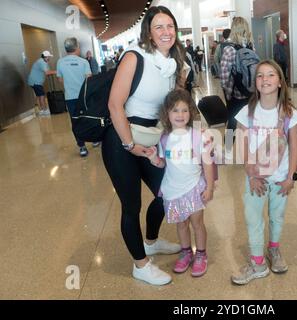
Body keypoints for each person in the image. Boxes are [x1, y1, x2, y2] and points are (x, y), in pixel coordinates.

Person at [102, 5, 185, 286]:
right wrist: (130, 145)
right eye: (159, 27)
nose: (166, 32)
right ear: (148, 33)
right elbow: (115, 105)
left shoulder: (175, 64)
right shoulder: (134, 58)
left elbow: (171, 110)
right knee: (131, 205)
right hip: (122, 141)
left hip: (152, 141)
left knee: (167, 193)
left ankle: (150, 241)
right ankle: (140, 264)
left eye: (170, 26)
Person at [231, 60, 297, 285]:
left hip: (280, 180)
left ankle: (274, 250)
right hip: (255, 180)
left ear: (280, 81)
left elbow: (295, 146)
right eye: (260, 76)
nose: (265, 79)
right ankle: (257, 262)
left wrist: (290, 177)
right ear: (255, 82)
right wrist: (251, 175)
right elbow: (240, 145)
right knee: (253, 220)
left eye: (271, 75)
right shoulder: (247, 112)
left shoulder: (289, 113)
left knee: (277, 218)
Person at [146, 89, 215, 277]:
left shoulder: (197, 136)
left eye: (184, 110)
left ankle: (201, 254)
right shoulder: (164, 138)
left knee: (197, 223)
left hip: (193, 189)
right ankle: (185, 252)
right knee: (181, 224)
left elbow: (207, 163)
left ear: (190, 113)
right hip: (172, 191)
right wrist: (153, 159)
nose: (180, 115)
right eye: (175, 110)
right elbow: (162, 164)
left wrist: (209, 187)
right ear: (167, 113)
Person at [220, 17, 254, 152]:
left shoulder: (229, 50)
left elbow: (224, 77)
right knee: (251, 122)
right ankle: (251, 150)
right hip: (251, 93)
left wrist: (228, 95)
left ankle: (227, 150)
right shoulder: (251, 47)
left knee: (232, 124)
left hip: (236, 95)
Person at [56, 38, 93, 157]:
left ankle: (82, 147)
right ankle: (95, 139)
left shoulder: (60, 62)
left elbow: (60, 79)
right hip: (84, 96)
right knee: (89, 117)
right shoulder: (84, 62)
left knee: (75, 121)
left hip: (70, 97)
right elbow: (89, 79)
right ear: (77, 47)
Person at [27, 50, 56, 116]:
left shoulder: (41, 61)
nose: (49, 58)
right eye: (49, 57)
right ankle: (44, 110)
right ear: (46, 57)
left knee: (39, 95)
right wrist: (57, 71)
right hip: (35, 82)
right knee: (41, 95)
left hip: (34, 81)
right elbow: (47, 72)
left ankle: (41, 110)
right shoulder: (42, 62)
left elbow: (47, 71)